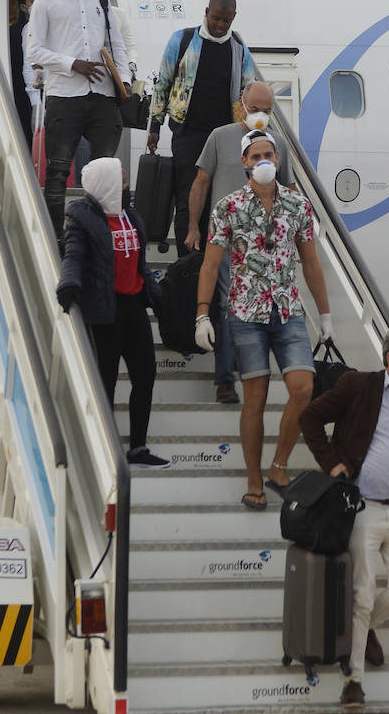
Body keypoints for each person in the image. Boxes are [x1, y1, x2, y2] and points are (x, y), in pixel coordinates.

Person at [299, 325, 389, 710]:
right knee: (361, 594)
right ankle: (353, 681)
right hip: (363, 508)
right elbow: (310, 419)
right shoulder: (357, 386)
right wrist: (332, 465)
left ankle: (367, 627)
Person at [195, 128, 332, 509]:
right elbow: (210, 266)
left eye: (268, 155)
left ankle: (279, 465)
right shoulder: (227, 207)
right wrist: (202, 314)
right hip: (245, 314)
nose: (263, 162)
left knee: (303, 389)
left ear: (277, 158)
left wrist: (325, 314)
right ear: (244, 162)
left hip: (288, 311)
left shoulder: (298, 205)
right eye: (255, 157)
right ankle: (254, 480)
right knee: (255, 398)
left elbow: (311, 263)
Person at [184, 82, 294, 405]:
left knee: (260, 309)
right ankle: (225, 380)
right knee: (226, 305)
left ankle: (245, 371)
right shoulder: (220, 137)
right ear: (241, 106)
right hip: (226, 239)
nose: (261, 115)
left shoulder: (277, 145)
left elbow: (289, 189)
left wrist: (296, 237)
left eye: (267, 110)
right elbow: (201, 182)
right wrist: (193, 226)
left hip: (266, 245)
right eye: (255, 108)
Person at [56, 157, 168, 468]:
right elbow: (73, 255)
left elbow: (140, 263)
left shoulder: (130, 215)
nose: (125, 182)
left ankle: (138, 448)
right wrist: (69, 283)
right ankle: (103, 450)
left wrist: (156, 295)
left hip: (134, 306)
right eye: (120, 178)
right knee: (105, 381)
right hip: (104, 309)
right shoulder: (81, 217)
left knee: (145, 374)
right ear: (105, 182)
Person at [26, 0, 130, 238]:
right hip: (64, 95)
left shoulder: (101, 0)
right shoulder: (46, 1)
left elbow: (116, 45)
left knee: (105, 171)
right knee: (58, 171)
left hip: (102, 95)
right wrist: (73, 64)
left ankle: (101, 233)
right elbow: (34, 51)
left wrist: (123, 78)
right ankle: (56, 237)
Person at [147, 0, 255, 255]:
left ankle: (210, 259)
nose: (220, 25)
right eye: (216, 18)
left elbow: (248, 90)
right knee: (187, 198)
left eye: (226, 20)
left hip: (224, 136)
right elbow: (163, 83)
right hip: (188, 133)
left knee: (218, 199)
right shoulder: (182, 40)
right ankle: (187, 260)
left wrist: (249, 131)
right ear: (206, 12)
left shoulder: (238, 47)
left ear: (234, 18)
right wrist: (155, 127)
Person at [86, 0, 138, 79]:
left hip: (117, 73)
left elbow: (129, 46)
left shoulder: (118, 14)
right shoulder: (79, 16)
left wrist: (131, 64)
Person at [9, 0, 40, 147]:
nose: (37, 4)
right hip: (21, 85)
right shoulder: (15, 31)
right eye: (32, 1)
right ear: (23, 7)